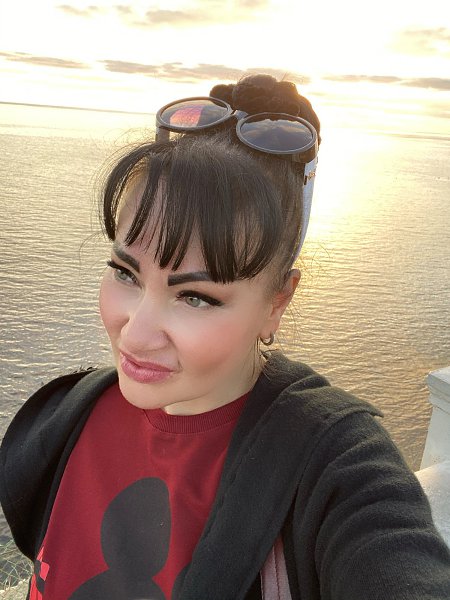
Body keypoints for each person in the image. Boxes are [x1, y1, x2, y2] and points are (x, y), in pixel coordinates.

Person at [1, 74, 449, 600]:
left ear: (277, 302)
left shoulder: (333, 466)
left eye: (196, 297)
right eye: (125, 273)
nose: (136, 335)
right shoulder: (68, 415)